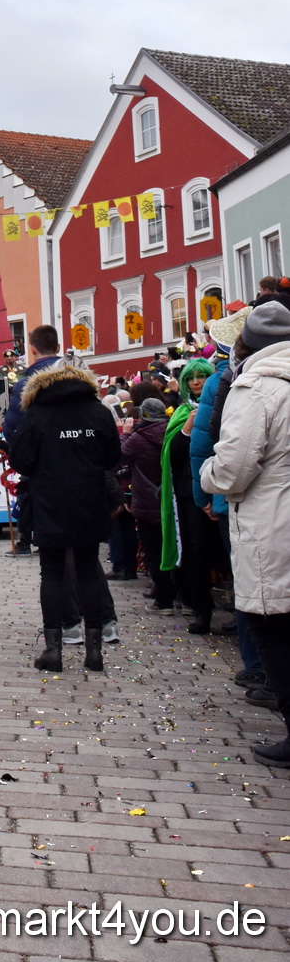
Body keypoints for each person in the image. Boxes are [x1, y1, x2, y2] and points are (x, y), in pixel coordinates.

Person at [200, 300, 290, 766]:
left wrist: (208, 473)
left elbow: (233, 468)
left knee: (272, 624)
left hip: (272, 524)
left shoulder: (255, 387)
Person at [7, 355, 121, 673]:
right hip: (89, 499)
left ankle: (53, 651)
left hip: (50, 501)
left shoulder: (37, 414)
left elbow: (22, 461)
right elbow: (113, 456)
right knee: (87, 572)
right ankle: (95, 652)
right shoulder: (98, 411)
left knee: (52, 574)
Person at [159, 359, 220, 635]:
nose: (196, 382)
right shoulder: (182, 412)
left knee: (225, 550)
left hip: (220, 486)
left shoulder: (223, 406)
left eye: (201, 376)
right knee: (196, 553)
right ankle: (201, 611)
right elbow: (170, 457)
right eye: (191, 378)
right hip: (189, 494)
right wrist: (185, 431)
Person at [0, 324, 62, 556]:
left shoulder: (26, 384)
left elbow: (12, 429)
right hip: (77, 459)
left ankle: (29, 539)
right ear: (58, 347)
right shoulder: (81, 378)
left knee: (30, 496)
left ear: (32, 349)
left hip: (41, 461)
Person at [122, 399, 174, 609]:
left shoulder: (137, 438)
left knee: (154, 552)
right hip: (171, 501)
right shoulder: (173, 429)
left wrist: (125, 433)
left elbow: (118, 457)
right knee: (175, 548)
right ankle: (185, 597)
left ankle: (164, 600)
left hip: (146, 501)